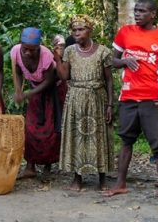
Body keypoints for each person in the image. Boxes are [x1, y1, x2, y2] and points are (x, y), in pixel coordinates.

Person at [104, 0, 158, 202]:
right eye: (136, 10)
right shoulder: (125, 32)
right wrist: (124, 61)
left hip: (152, 98)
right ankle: (120, 184)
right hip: (128, 96)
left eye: (143, 11)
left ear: (153, 14)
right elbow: (111, 60)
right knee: (126, 140)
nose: (137, 14)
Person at [55, 15, 115, 191]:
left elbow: (109, 80)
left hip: (97, 98)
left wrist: (110, 105)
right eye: (74, 30)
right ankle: (77, 177)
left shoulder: (104, 51)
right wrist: (57, 58)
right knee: (77, 136)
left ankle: (102, 177)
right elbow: (65, 76)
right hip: (75, 98)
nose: (76, 33)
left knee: (99, 137)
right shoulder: (70, 51)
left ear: (90, 30)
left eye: (80, 29)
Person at [10, 27, 60, 182]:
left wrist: (27, 94)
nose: (28, 53)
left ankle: (47, 167)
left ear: (39, 47)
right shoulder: (16, 52)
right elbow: (18, 72)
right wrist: (18, 89)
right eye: (25, 49)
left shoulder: (46, 55)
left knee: (50, 130)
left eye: (32, 50)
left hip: (53, 91)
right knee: (30, 129)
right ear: (20, 45)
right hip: (34, 91)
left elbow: (49, 81)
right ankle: (30, 167)